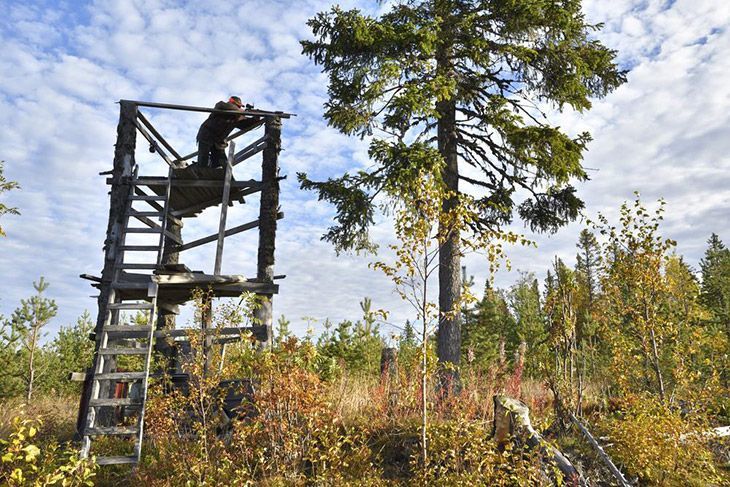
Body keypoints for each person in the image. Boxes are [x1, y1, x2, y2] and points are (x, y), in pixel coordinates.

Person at [195, 96, 260, 168]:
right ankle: (201, 174)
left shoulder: (237, 117)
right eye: (238, 106)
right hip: (206, 135)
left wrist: (256, 116)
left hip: (218, 141)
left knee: (221, 164)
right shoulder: (222, 107)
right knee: (203, 160)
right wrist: (241, 112)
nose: (239, 108)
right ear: (232, 103)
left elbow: (246, 124)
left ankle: (215, 175)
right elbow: (220, 104)